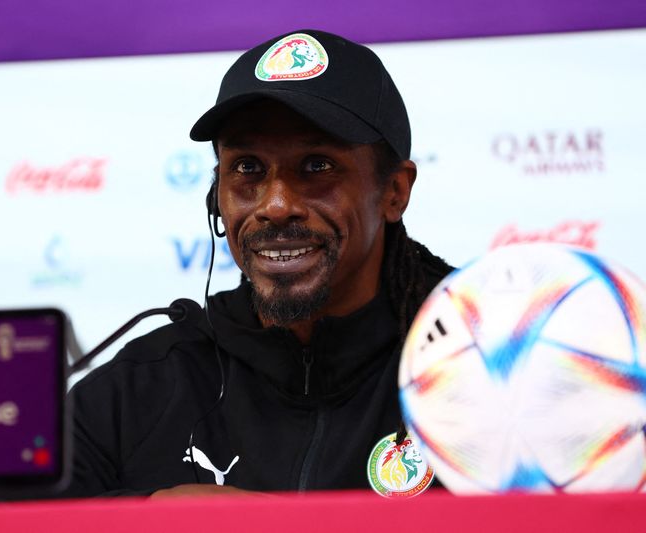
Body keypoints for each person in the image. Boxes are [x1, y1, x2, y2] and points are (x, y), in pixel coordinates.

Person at [62, 29, 452, 498]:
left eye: (317, 166)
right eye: (248, 168)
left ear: (394, 192)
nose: (276, 204)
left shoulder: (485, 367)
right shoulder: (137, 391)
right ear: (217, 195)